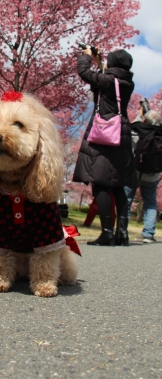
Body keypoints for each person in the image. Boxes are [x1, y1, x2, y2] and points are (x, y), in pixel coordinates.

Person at [73, 48, 136, 246]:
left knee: (100, 182)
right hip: (122, 134)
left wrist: (86, 56)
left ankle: (107, 233)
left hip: (104, 134)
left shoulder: (108, 81)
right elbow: (103, 81)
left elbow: (84, 73)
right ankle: (122, 233)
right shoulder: (126, 82)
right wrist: (100, 62)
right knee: (118, 184)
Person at [125, 109, 161, 243]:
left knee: (127, 202)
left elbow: (130, 130)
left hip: (134, 172)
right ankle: (148, 234)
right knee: (150, 203)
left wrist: (140, 115)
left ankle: (123, 231)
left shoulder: (138, 131)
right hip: (152, 175)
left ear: (145, 120)